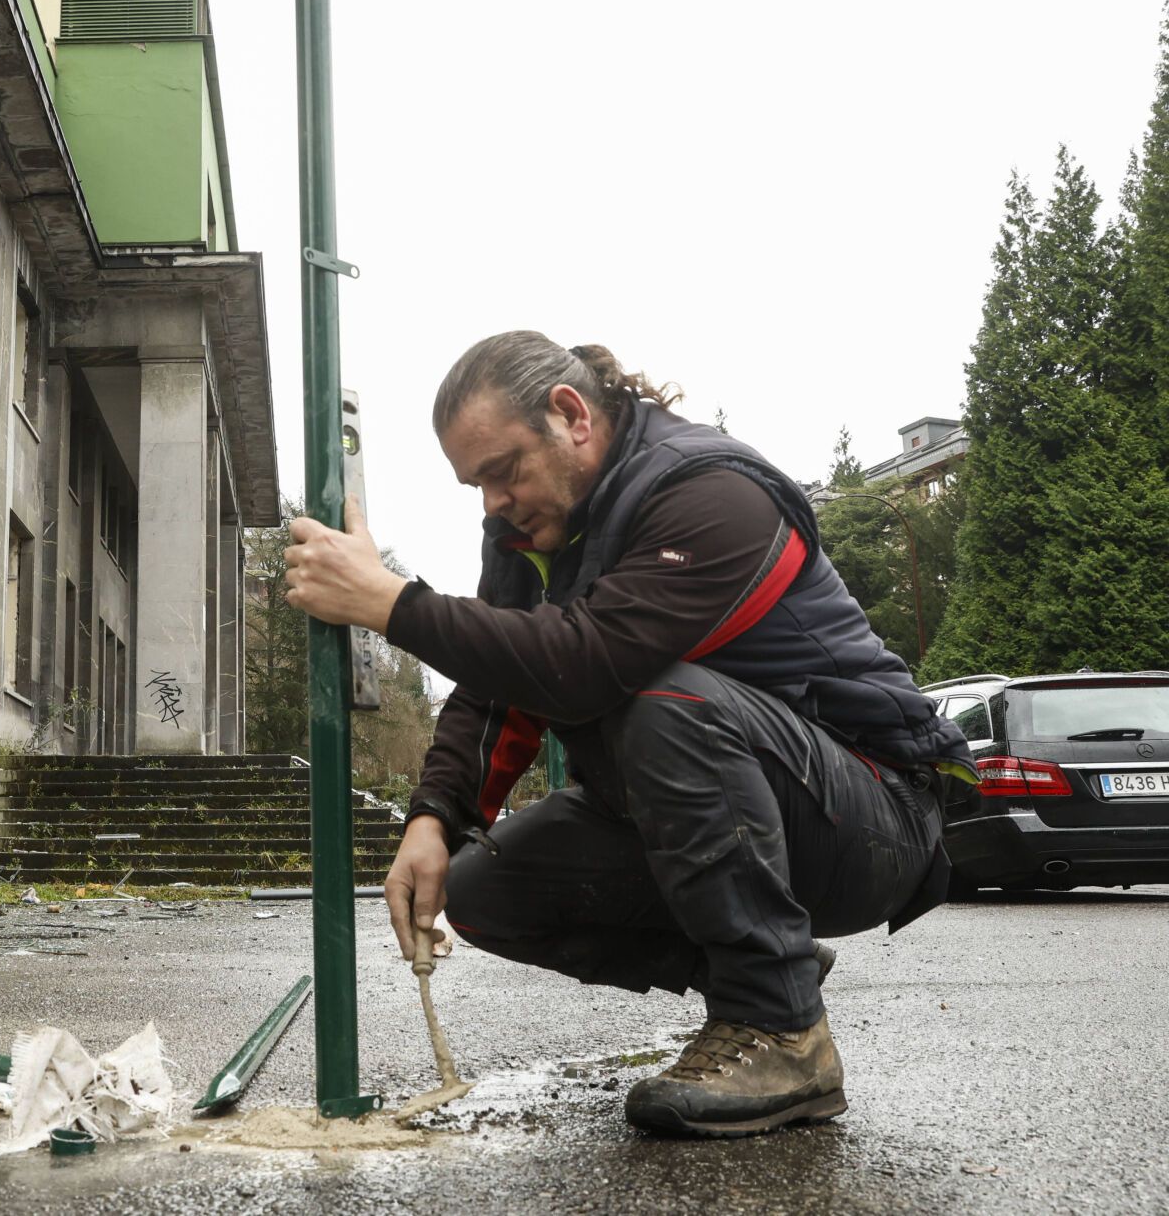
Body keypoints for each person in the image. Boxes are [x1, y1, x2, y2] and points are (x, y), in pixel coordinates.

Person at [281, 331, 972, 1138]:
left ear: (570, 414)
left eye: (502, 471)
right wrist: (433, 816)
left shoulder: (712, 493)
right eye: (475, 484)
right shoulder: (528, 534)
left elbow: (584, 662)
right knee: (481, 889)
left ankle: (781, 1027)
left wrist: (391, 604)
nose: (492, 502)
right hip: (733, 812)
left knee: (667, 701)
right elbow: (499, 684)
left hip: (875, 815)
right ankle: (758, 960)